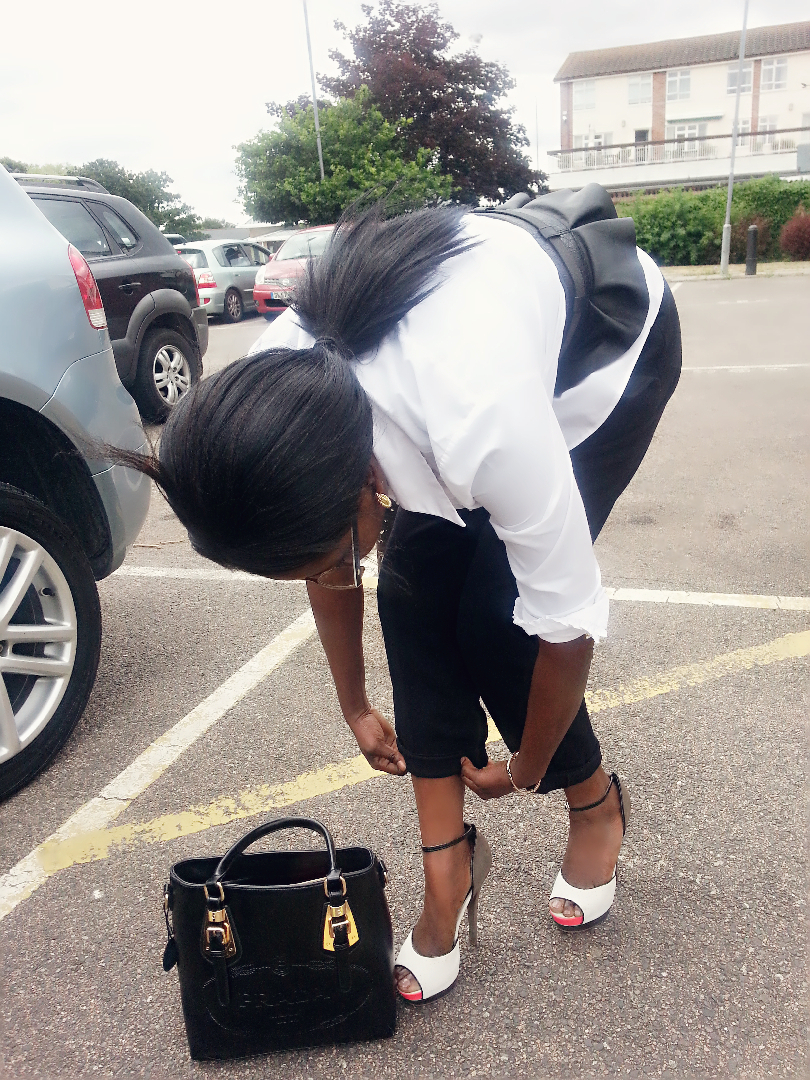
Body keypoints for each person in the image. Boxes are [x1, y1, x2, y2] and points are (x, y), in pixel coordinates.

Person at [116, 191, 681, 1003]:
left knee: (498, 614)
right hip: (463, 347)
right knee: (412, 599)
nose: (334, 569)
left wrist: (524, 769)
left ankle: (596, 807)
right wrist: (353, 703)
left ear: (359, 483)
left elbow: (565, 629)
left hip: (604, 352)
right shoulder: (280, 387)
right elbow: (330, 567)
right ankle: (447, 872)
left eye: (336, 550)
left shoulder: (484, 424)